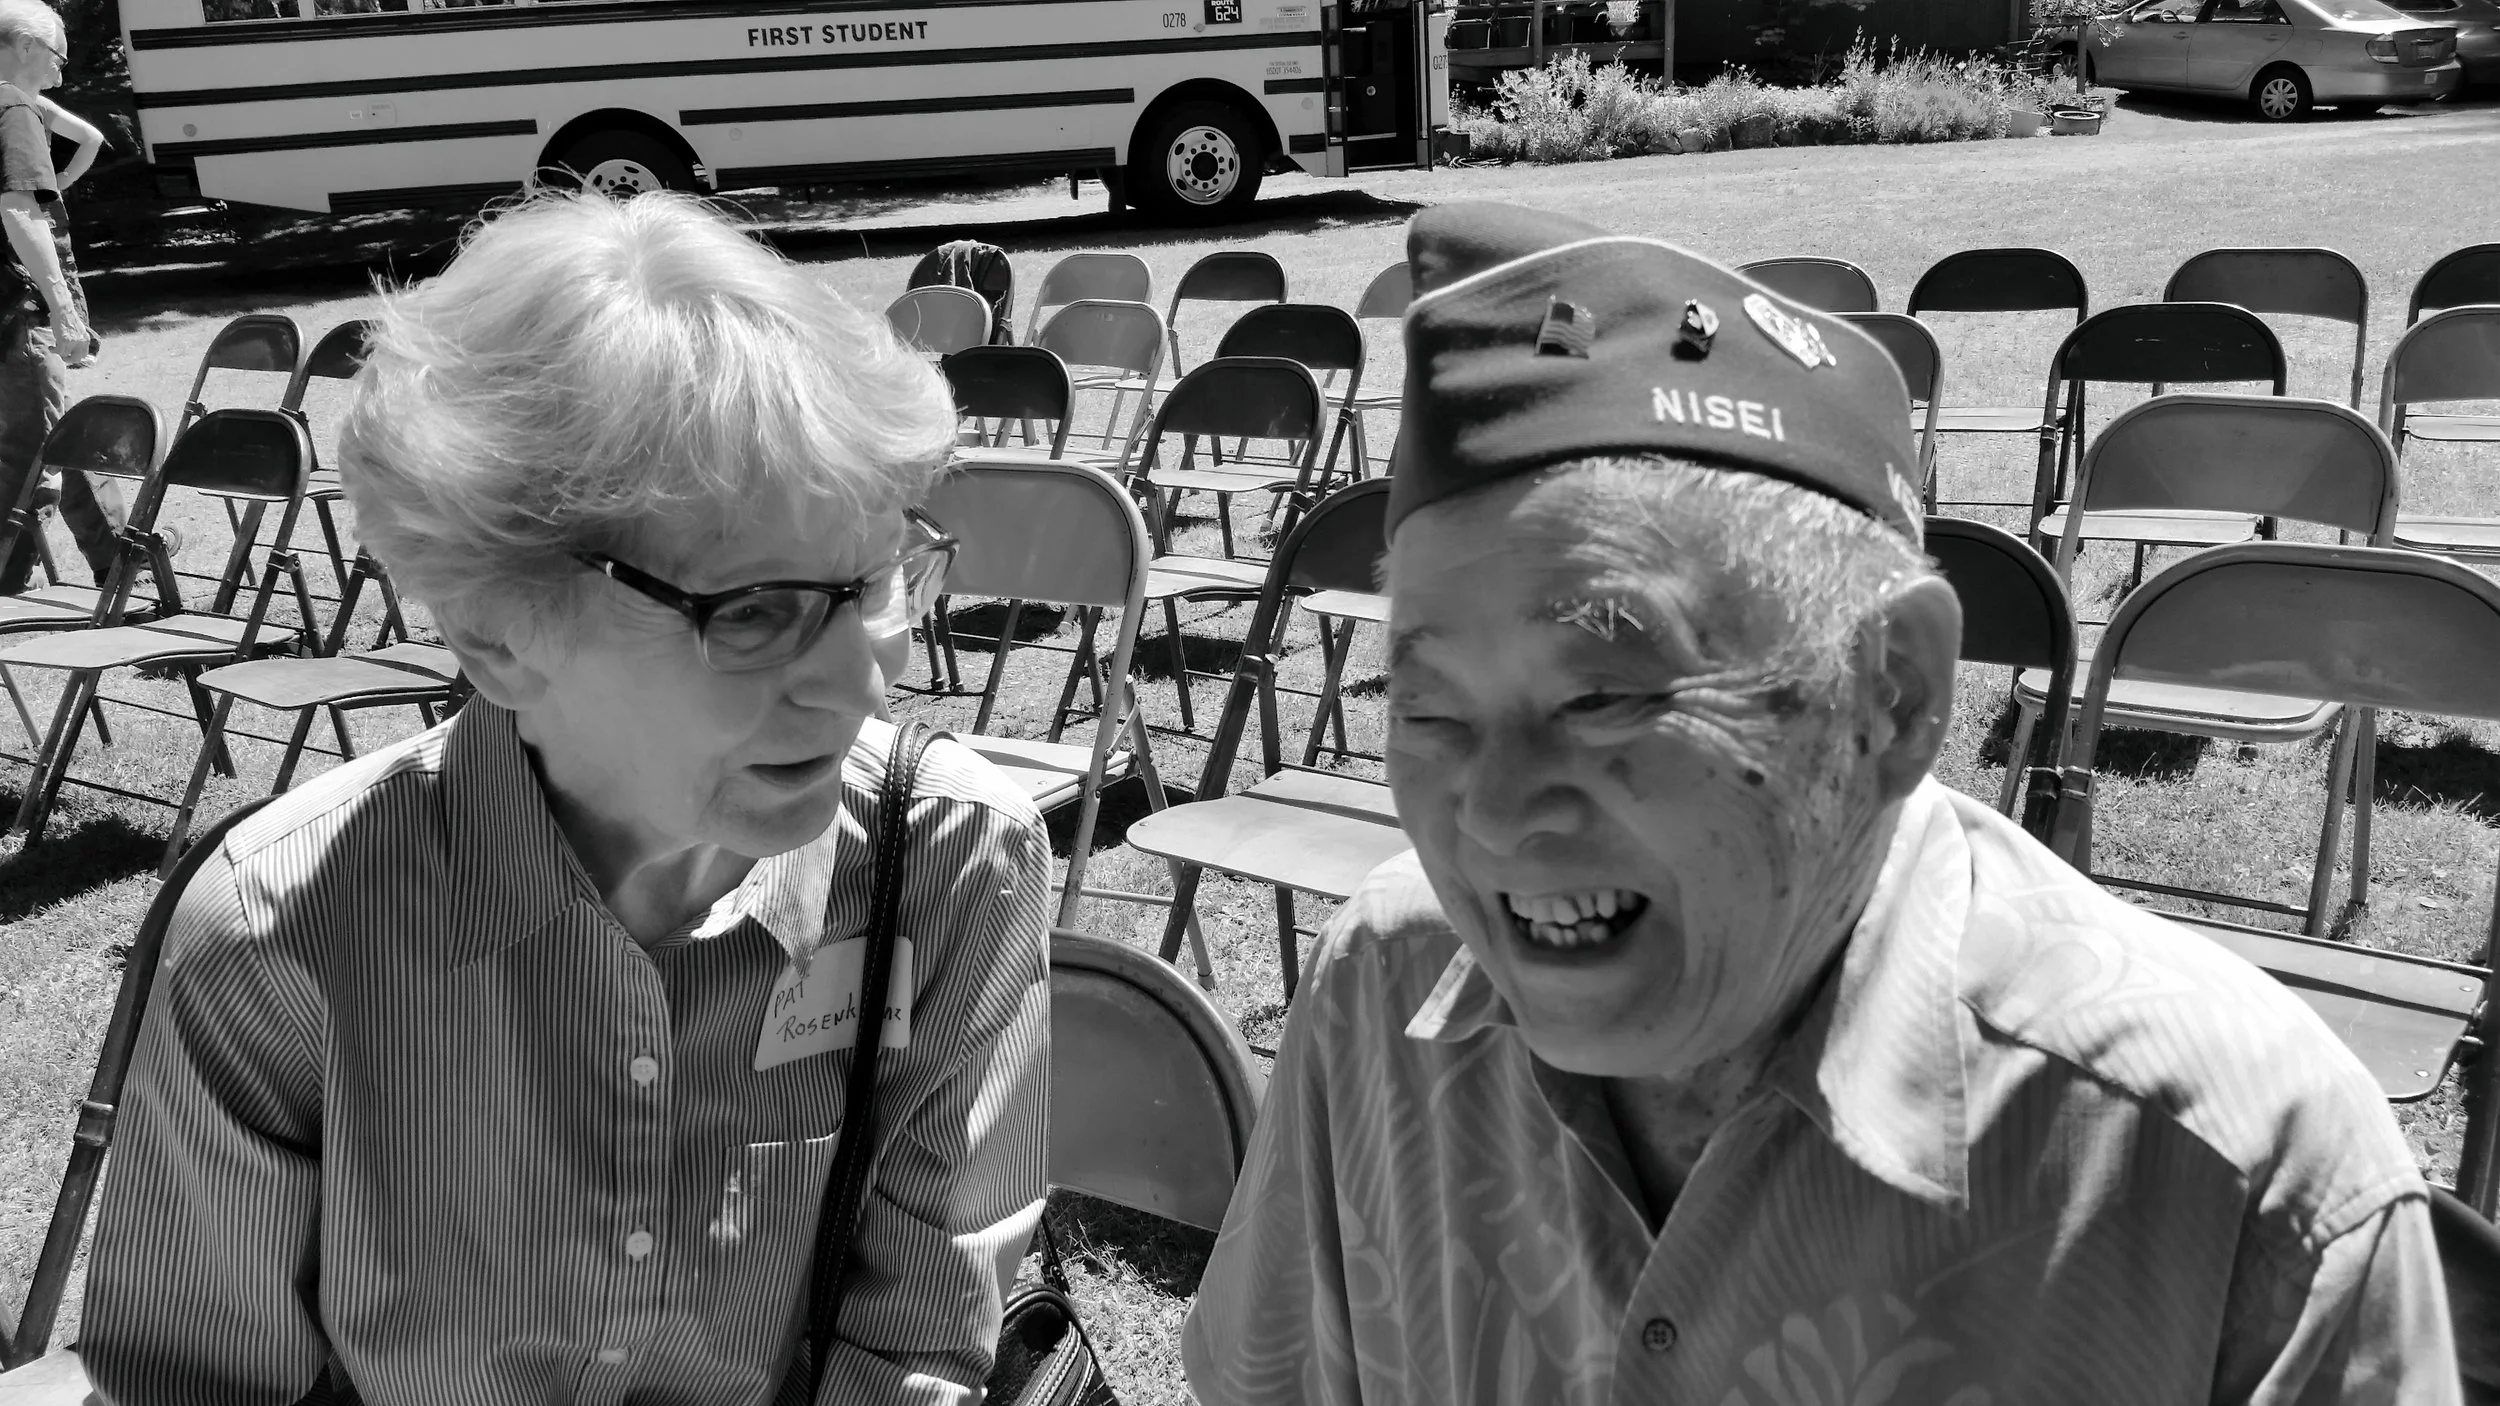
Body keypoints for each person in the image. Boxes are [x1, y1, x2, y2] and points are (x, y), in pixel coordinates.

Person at [1183, 202, 2458, 1406]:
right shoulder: (1381, 989)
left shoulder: (2240, 1171)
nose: (1497, 816)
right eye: (1429, 711)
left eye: (1602, 695)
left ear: (1890, 694)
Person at [80, 191, 1054, 1405]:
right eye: (754, 610)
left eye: (870, 585)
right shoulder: (281, 933)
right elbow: (195, 1383)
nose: (861, 682)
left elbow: (918, 1349)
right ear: (495, 632)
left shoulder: (950, 862)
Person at [0, 0, 120, 596]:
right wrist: (63, 306)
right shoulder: (14, 106)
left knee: (40, 434)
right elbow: (20, 210)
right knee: (48, 441)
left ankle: (115, 556)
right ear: (25, 45)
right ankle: (115, 561)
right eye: (57, 56)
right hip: (16, 312)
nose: (60, 71)